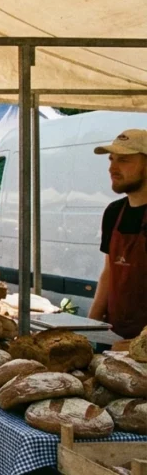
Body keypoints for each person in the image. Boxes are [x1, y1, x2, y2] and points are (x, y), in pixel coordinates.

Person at [90, 130, 147, 339]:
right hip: (113, 337)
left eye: (123, 160)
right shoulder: (114, 212)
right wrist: (91, 327)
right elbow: (109, 272)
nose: (112, 168)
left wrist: (139, 344)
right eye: (111, 160)